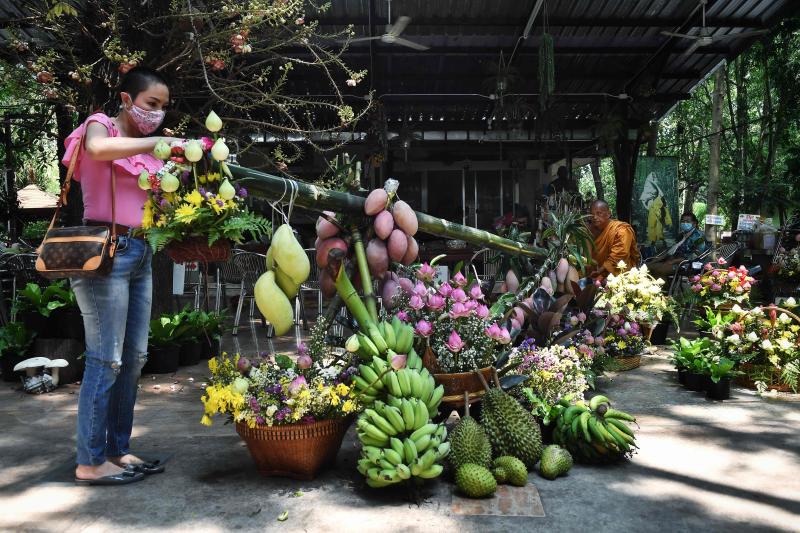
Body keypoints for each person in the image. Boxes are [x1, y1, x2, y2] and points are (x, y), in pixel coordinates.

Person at [63, 67, 183, 485]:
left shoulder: (146, 154)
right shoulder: (101, 125)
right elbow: (96, 151)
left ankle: (117, 450)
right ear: (127, 99)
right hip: (105, 253)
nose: (158, 114)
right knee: (106, 359)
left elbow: (154, 201)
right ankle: (90, 462)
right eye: (152, 104)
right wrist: (159, 141)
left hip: (140, 250)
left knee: (134, 358)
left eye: (164, 108)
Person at [588, 199, 640, 279]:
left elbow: (620, 254)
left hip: (620, 272)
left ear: (608, 214)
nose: (595, 217)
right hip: (597, 273)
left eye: (599, 213)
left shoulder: (621, 230)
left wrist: (600, 271)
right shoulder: (590, 231)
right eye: (592, 215)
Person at [646, 213, 707, 278]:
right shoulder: (681, 235)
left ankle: (665, 287)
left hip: (690, 264)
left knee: (660, 270)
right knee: (649, 267)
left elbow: (697, 255)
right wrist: (656, 259)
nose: (684, 223)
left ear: (694, 223)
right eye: (683, 221)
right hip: (673, 261)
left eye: (687, 221)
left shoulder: (699, 237)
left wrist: (674, 261)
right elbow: (670, 250)